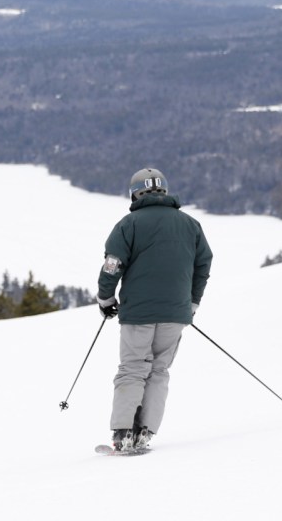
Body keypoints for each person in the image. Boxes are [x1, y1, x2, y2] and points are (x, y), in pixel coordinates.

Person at [96, 167, 213, 452]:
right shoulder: (191, 225)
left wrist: (105, 299)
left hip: (138, 313)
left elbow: (112, 265)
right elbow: (203, 266)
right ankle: (145, 433)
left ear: (135, 193)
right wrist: (193, 301)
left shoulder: (129, 224)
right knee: (158, 371)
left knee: (133, 370)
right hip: (176, 312)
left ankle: (123, 434)